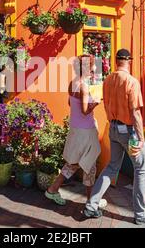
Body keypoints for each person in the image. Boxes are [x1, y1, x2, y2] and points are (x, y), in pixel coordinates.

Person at [82, 49, 145, 225]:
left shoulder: (107, 80)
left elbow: (105, 104)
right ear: (129, 60)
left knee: (112, 167)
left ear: (116, 61)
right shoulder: (131, 81)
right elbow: (136, 113)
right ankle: (140, 214)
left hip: (113, 128)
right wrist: (140, 138)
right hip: (129, 131)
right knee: (141, 170)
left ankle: (91, 206)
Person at [45, 55, 104, 206]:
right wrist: (95, 102)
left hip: (76, 129)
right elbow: (85, 110)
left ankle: (52, 190)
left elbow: (70, 104)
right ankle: (92, 201)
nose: (94, 70)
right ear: (86, 68)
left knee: (73, 163)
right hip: (86, 131)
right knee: (89, 165)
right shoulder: (83, 86)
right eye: (92, 67)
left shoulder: (73, 83)